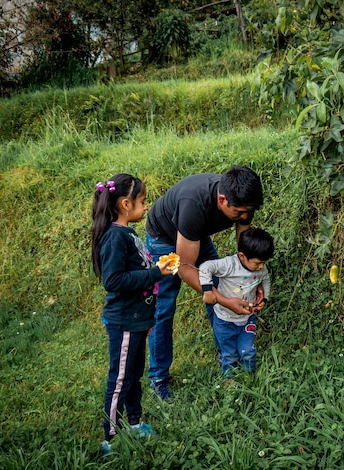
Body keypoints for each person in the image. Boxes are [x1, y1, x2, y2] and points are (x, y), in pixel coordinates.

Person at [145, 165, 264, 402]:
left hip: (194, 236)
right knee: (164, 308)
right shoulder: (194, 205)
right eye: (239, 213)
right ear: (222, 200)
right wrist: (221, 298)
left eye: (247, 212)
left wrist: (251, 279)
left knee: (223, 287)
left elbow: (244, 246)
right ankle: (158, 378)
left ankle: (228, 356)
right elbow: (185, 268)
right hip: (164, 238)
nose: (244, 217)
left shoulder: (243, 201)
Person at [91, 174, 178, 454]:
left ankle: (135, 423)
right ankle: (111, 437)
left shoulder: (128, 232)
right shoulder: (115, 237)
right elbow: (113, 281)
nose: (146, 207)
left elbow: (137, 270)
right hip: (125, 321)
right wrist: (156, 272)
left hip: (138, 321)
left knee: (134, 374)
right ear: (126, 204)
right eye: (143, 201)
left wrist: (157, 267)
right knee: (119, 380)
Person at [198, 228, 274, 376]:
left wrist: (264, 298)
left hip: (248, 318)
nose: (261, 267)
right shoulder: (229, 265)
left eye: (264, 263)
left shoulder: (260, 268)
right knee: (229, 353)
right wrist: (207, 290)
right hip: (224, 321)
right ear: (242, 256)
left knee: (248, 351)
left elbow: (266, 281)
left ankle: (248, 377)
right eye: (258, 263)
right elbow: (205, 267)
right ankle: (230, 380)